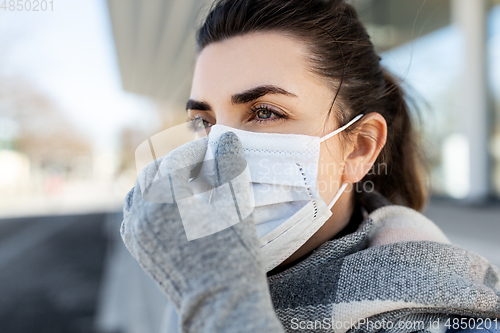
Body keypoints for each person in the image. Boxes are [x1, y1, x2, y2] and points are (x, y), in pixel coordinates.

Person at [120, 0, 500, 332]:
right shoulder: (195, 277)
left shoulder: (451, 319)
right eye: (205, 122)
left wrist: (220, 303)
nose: (220, 155)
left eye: (265, 112)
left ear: (359, 148)